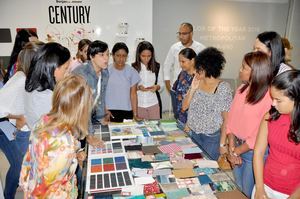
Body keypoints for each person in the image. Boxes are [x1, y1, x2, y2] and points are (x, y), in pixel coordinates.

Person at [20, 74, 93, 198]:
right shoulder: (63, 143)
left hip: (32, 188)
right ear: (80, 108)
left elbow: (31, 161)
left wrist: (74, 154)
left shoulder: (44, 120)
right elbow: (50, 190)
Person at [226, 51, 273, 198]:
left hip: (253, 153)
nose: (240, 70)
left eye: (244, 67)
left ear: (256, 72)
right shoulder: (241, 89)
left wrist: (238, 151)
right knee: (238, 188)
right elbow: (231, 120)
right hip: (236, 147)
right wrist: (231, 147)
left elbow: (260, 133)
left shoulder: (269, 97)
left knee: (247, 192)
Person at [0, 41, 44, 199]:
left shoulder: (30, 78)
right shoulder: (20, 79)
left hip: (24, 131)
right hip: (12, 132)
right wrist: (18, 116)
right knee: (21, 167)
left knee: (22, 167)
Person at [252, 70, 300, 199]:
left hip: (291, 193)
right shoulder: (270, 116)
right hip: (265, 185)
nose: (273, 104)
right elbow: (258, 152)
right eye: (272, 98)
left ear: (296, 99)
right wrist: (259, 188)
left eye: (278, 100)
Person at [182, 47, 232, 160]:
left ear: (207, 69)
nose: (195, 71)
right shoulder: (197, 82)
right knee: (192, 166)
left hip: (211, 138)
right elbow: (184, 107)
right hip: (193, 134)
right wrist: (192, 89)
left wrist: (222, 144)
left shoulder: (223, 88)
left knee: (208, 169)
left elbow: (227, 119)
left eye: (199, 68)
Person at [24, 42, 71, 130]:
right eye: (66, 68)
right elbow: (58, 128)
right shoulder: (45, 97)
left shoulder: (35, 87)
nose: (68, 73)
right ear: (54, 68)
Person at [163, 22, 205, 117]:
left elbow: (206, 69)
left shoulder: (201, 48)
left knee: (193, 117)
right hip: (177, 89)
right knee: (178, 116)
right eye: (179, 33)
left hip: (195, 90)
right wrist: (168, 86)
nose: (181, 36)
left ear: (191, 33)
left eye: (184, 34)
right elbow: (167, 66)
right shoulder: (174, 48)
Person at [72, 40, 109, 146]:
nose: (106, 58)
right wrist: (90, 136)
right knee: (78, 149)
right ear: (92, 56)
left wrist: (101, 117)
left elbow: (101, 96)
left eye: (107, 54)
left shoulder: (105, 72)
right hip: (75, 118)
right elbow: (83, 108)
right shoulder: (82, 74)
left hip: (89, 116)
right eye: (102, 55)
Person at [106, 42, 141, 122]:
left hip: (127, 111)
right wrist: (104, 110)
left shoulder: (132, 72)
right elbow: (102, 92)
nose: (121, 59)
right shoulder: (106, 71)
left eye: (124, 56)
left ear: (127, 57)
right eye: (118, 55)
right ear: (113, 55)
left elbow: (133, 94)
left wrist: (135, 114)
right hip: (109, 111)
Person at [132, 41, 163, 120]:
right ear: (138, 55)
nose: (146, 59)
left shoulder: (157, 66)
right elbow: (129, 88)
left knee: (156, 129)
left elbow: (161, 85)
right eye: (143, 56)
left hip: (153, 104)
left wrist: (157, 87)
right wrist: (138, 88)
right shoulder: (133, 67)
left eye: (149, 56)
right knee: (141, 129)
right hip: (139, 104)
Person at [172, 48, 197, 129]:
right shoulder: (182, 74)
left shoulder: (199, 77)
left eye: (183, 61)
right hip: (180, 117)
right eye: (179, 61)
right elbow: (176, 91)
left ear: (192, 60)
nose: (181, 64)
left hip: (192, 121)